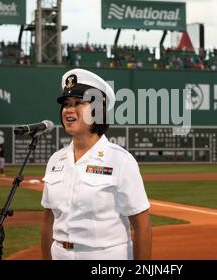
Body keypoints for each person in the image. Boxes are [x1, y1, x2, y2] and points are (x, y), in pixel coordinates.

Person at [41, 68, 152, 260]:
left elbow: (142, 225)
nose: (69, 109)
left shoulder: (120, 160)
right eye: (66, 104)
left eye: (78, 103)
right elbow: (48, 220)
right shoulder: (55, 160)